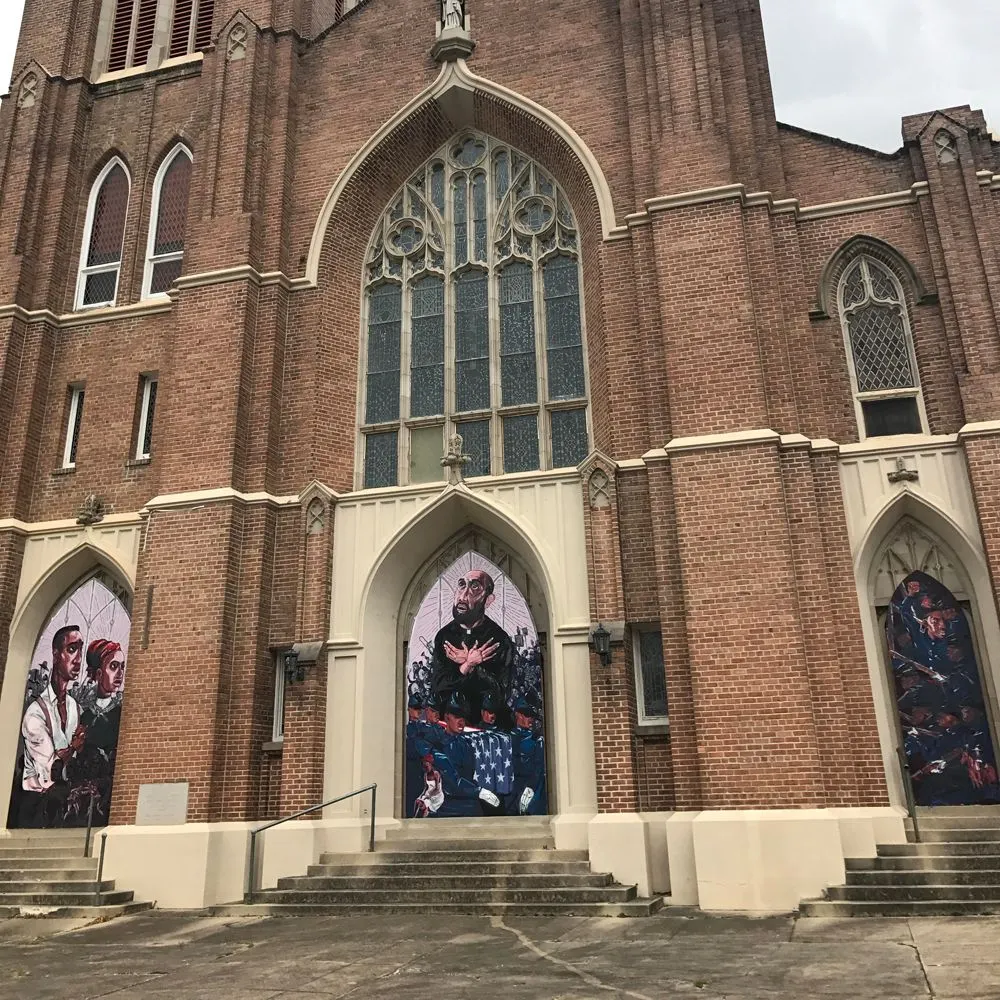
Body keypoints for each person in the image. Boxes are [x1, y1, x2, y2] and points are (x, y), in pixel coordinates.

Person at [17, 625, 87, 827]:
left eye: (80, 650)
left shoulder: (75, 707)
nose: (78, 659)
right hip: (36, 807)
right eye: (72, 650)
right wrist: (73, 747)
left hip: (64, 804)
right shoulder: (35, 713)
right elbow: (50, 771)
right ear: (56, 655)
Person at [430, 569, 515, 729]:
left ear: (488, 600)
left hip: (485, 728)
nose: (463, 596)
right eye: (462, 585)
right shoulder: (444, 636)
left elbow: (501, 693)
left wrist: (475, 667)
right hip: (451, 727)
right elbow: (438, 688)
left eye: (475, 587)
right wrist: (466, 665)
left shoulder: (499, 639)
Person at [72, 639, 126, 823]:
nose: (120, 673)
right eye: (114, 666)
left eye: (122, 667)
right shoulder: (84, 715)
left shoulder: (121, 714)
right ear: (98, 673)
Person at [430, 695, 500, 817]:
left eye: (463, 717)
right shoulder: (438, 746)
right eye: (457, 717)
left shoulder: (468, 743)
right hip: (448, 807)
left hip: (472, 805)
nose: (461, 722)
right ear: (446, 717)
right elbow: (452, 782)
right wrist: (479, 792)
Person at [505, 698, 546, 816]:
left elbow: (538, 769)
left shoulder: (537, 741)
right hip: (509, 793)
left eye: (532, 716)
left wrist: (530, 788)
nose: (531, 719)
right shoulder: (506, 738)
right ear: (518, 715)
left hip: (529, 791)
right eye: (527, 715)